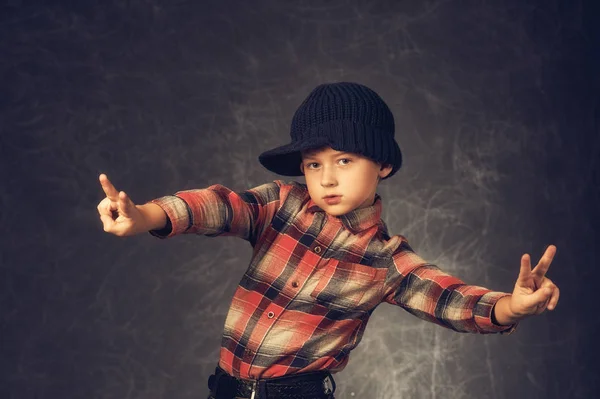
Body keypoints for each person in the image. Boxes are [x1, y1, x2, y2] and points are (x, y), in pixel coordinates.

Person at [97, 82, 560, 399]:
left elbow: (446, 297)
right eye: (314, 164)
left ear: (382, 164)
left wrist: (508, 307)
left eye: (343, 160)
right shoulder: (280, 205)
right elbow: (220, 206)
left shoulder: (385, 261)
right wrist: (146, 215)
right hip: (227, 388)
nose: (327, 177)